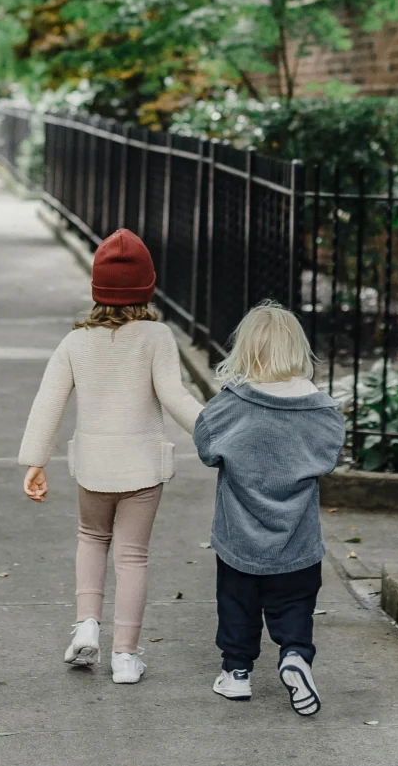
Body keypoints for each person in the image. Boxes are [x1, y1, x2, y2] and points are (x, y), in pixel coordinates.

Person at [19, 229, 202, 684]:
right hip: (142, 466)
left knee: (91, 538)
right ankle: (125, 656)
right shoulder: (156, 337)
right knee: (133, 557)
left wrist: (35, 460)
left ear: (96, 288)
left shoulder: (75, 342)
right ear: (148, 285)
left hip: (94, 467)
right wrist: (219, 431)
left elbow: (48, 401)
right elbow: (176, 397)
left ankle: (86, 626)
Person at [193, 302, 345, 716]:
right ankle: (295, 655)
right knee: (296, 604)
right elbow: (329, 456)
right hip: (297, 540)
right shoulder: (319, 409)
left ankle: (237, 674)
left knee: (237, 605)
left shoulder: (233, 403)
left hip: (240, 539)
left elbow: (206, 445)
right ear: (298, 350)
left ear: (245, 351)